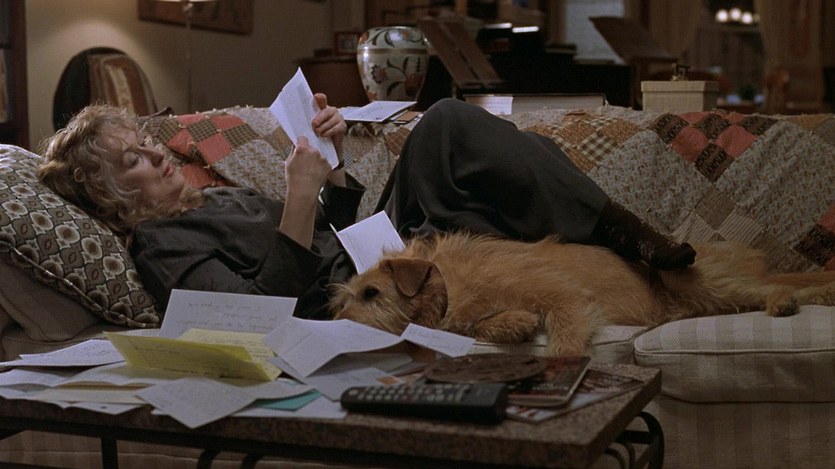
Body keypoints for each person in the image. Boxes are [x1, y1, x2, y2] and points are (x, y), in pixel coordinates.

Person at [38, 96, 695, 320]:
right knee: (460, 137)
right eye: (132, 161)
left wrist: (332, 165)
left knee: (451, 127)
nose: (155, 154)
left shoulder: (217, 194)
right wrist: (298, 197)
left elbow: (333, 232)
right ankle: (614, 238)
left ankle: (618, 232)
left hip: (374, 247)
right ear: (110, 199)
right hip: (360, 290)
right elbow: (254, 316)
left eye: (146, 142)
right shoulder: (162, 245)